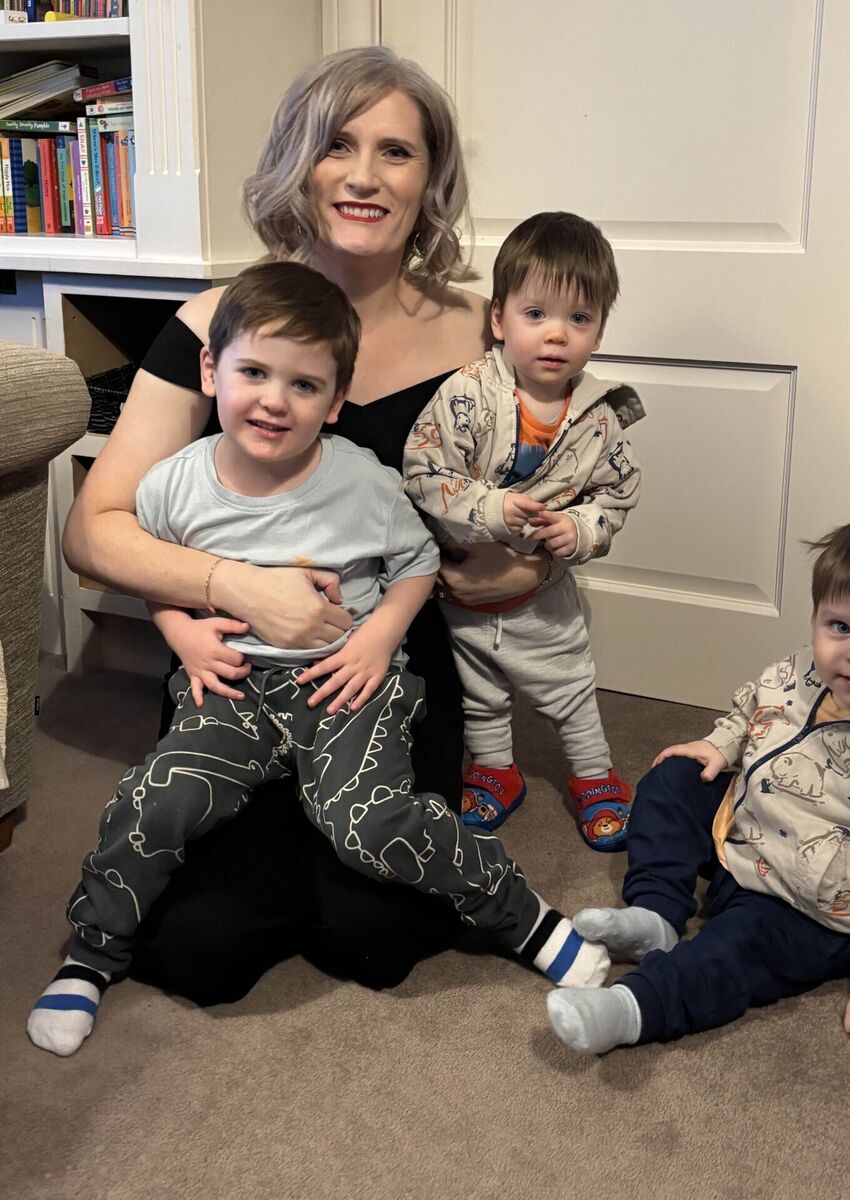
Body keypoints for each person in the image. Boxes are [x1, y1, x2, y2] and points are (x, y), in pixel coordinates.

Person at [59, 47, 552, 1003]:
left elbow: (545, 498)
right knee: (198, 950)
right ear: (299, 162)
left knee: (374, 935)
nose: (364, 176)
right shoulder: (216, 324)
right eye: (337, 145)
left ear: (430, 178)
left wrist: (522, 570)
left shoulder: (486, 332)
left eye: (395, 152)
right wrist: (236, 587)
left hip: (382, 667)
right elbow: (93, 531)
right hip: (232, 666)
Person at [28, 263, 610, 1057]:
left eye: (303, 385)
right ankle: (90, 956)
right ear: (211, 371)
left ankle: (527, 920)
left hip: (345, 683)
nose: (274, 400)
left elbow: (416, 564)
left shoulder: (361, 480)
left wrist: (378, 638)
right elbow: (149, 567)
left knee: (366, 824)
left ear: (335, 402)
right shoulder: (171, 485)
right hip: (230, 685)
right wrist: (179, 631)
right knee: (158, 800)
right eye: (254, 373)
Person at [546, 512, 850, 1055]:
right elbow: (755, 709)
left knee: (731, 950)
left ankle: (636, 1007)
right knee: (673, 778)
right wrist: (721, 745)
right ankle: (656, 912)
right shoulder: (800, 673)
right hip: (743, 838)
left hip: (809, 908)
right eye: (839, 627)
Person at [403, 212, 642, 851]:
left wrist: (582, 529)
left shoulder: (599, 418)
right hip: (462, 594)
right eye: (535, 314)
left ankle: (595, 778)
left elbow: (617, 495)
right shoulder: (467, 394)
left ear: (598, 331)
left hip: (543, 599)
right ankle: (496, 772)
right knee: (480, 693)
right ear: (499, 319)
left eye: (579, 319)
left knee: (570, 691)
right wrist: (487, 507)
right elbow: (422, 472)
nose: (556, 334)